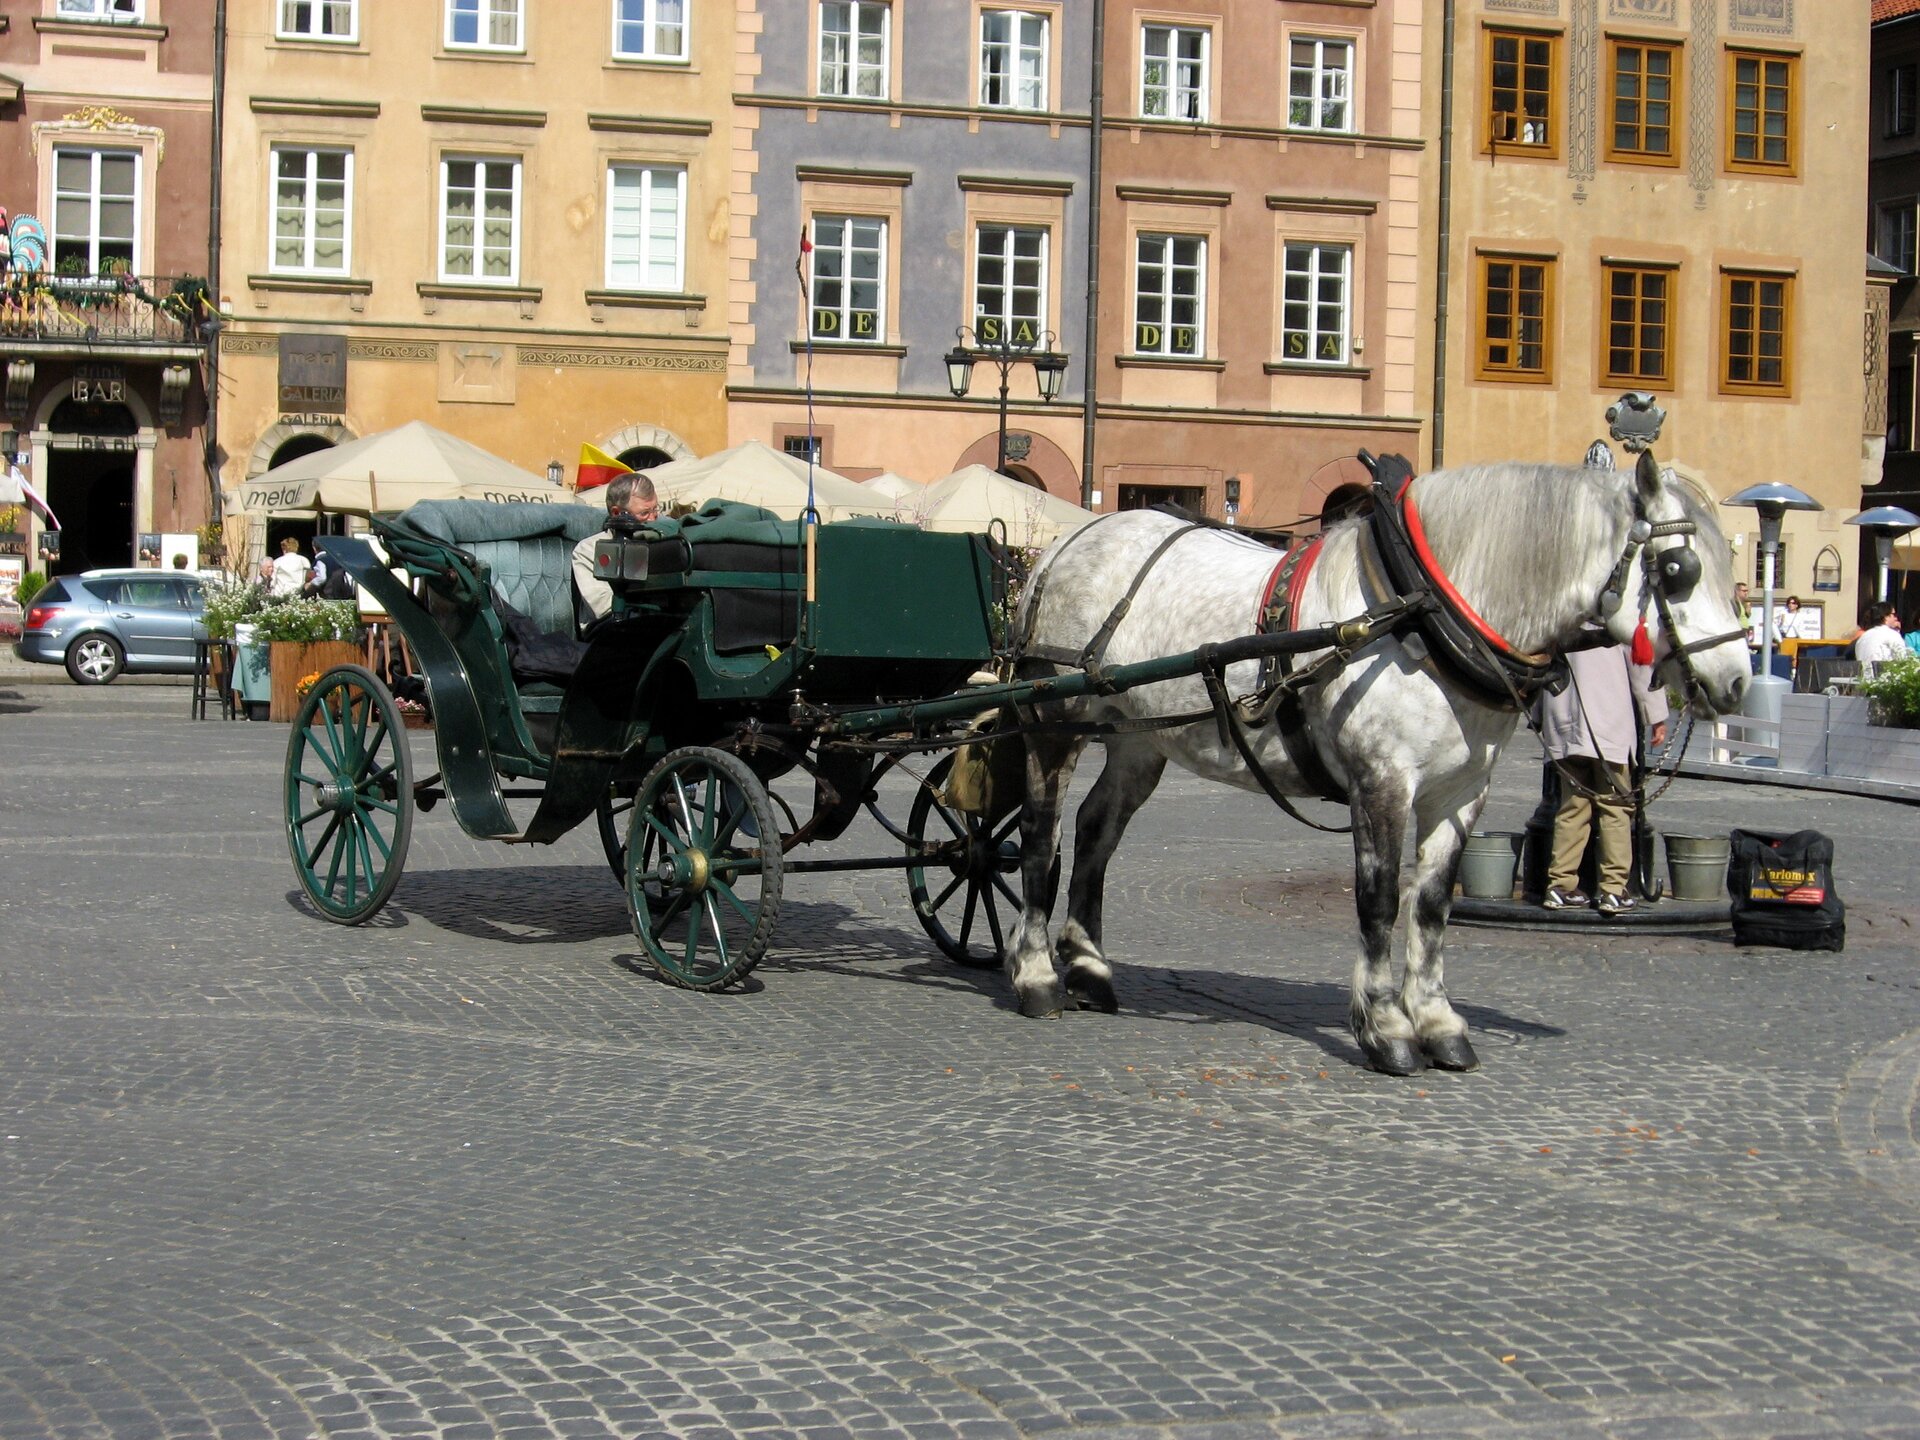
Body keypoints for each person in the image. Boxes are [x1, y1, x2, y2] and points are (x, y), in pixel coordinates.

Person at [1536, 643, 1670, 917]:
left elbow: (1540, 662)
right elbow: (1641, 665)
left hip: (1563, 723)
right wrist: (1656, 716)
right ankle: (1613, 890)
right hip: (1608, 726)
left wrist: (1538, 715)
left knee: (1572, 808)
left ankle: (1560, 885)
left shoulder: (1564, 622)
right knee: (1615, 809)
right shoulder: (1617, 624)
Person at [571, 473, 660, 621]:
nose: (653, 519)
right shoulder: (589, 549)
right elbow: (603, 608)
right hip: (610, 627)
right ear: (617, 513)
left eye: (655, 510)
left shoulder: (660, 542)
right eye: (644, 513)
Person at [1855, 600, 1907, 665]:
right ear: (1886, 617)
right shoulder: (1891, 635)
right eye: (1894, 615)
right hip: (1883, 670)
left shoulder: (1863, 637)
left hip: (1863, 671)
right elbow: (1902, 659)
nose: (1896, 618)